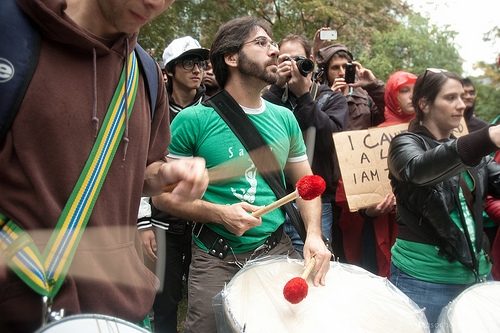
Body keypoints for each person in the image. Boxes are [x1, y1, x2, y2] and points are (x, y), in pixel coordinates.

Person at [0, 0, 209, 332]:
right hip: (21, 309)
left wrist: (165, 174)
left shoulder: (147, 72)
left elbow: (143, 170)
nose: (156, 3)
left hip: (121, 310)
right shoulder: (9, 32)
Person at [151, 17, 332, 333]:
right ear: (231, 57)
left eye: (271, 43)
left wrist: (314, 235)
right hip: (216, 257)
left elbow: (307, 187)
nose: (274, 51)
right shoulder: (194, 120)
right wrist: (218, 213)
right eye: (262, 43)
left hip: (276, 248)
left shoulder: (286, 119)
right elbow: (160, 195)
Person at [388, 68, 499, 330]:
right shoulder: (404, 144)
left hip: (478, 275)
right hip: (423, 281)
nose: (462, 104)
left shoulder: (473, 152)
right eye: (450, 98)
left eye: (462, 97)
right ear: (424, 104)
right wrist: (487, 137)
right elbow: (418, 169)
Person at [138, 36, 209, 333]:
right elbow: (139, 167)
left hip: (203, 222)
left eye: (201, 63)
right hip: (163, 222)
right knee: (165, 298)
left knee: (203, 296)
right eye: (188, 62)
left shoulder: (214, 109)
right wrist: (143, 223)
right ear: (169, 70)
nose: (197, 70)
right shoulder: (151, 109)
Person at [261, 33, 348, 256]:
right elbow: (255, 130)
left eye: (298, 60)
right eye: (284, 60)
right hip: (273, 201)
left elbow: (332, 141)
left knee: (313, 266)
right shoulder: (267, 99)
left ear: (310, 59)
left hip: (315, 200)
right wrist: (277, 88)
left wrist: (304, 97)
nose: (292, 66)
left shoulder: (332, 98)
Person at [314, 39, 386, 262]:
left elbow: (389, 114)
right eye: (335, 67)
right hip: (328, 186)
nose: (341, 72)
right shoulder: (316, 95)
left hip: (359, 184)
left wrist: (372, 84)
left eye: (346, 66)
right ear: (325, 71)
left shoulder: (364, 96)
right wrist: (331, 99)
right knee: (331, 247)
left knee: (359, 248)